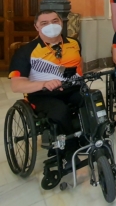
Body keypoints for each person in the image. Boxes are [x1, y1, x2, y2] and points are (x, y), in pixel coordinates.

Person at [9, 10, 83, 169]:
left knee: (91, 99)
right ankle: (69, 151)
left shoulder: (74, 43)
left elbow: (79, 68)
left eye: (55, 21)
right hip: (42, 95)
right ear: (36, 27)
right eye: (44, 23)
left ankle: (91, 138)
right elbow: (16, 85)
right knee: (60, 111)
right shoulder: (26, 52)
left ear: (61, 23)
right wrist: (43, 84)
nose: (51, 25)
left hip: (70, 89)